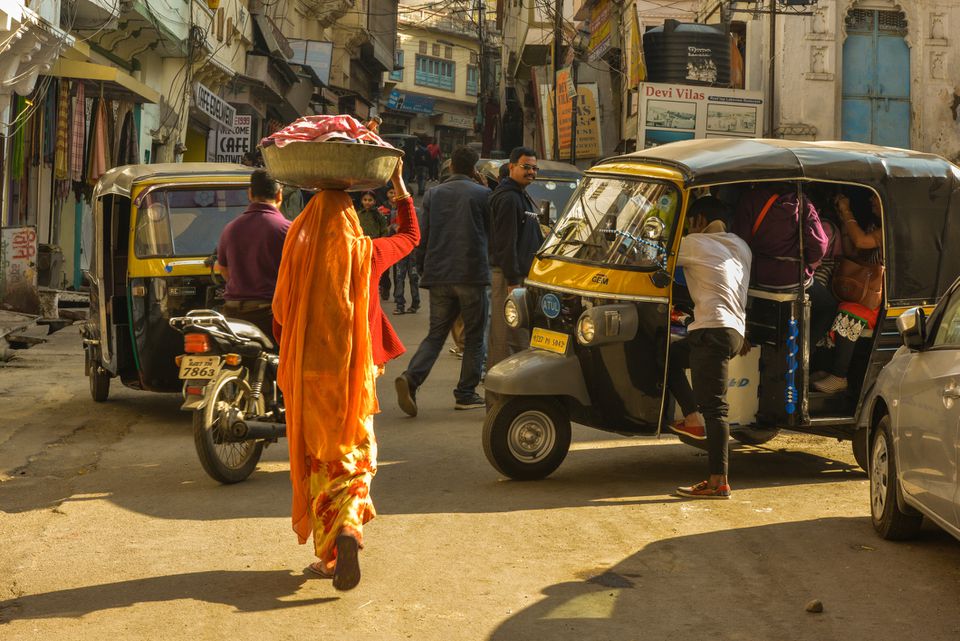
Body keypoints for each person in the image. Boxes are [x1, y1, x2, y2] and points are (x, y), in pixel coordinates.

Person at [272, 160, 419, 591]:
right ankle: (350, 528)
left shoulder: (296, 254)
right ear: (352, 219)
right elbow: (411, 235)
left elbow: (280, 315)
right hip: (355, 373)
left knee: (320, 456)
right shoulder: (366, 253)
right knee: (354, 449)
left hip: (309, 371)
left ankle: (332, 551)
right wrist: (397, 182)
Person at [395, 146, 491, 416]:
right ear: (474, 169)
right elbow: (491, 231)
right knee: (474, 337)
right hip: (471, 275)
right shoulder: (483, 194)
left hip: (439, 275)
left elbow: (423, 235)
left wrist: (424, 266)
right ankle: (466, 392)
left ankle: (412, 378)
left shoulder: (434, 194)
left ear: (450, 167)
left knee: (436, 334)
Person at [667, 196, 752, 500]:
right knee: (669, 358)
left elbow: (657, 257)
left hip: (712, 331)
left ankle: (719, 481)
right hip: (732, 331)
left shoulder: (693, 243)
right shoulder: (741, 246)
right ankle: (691, 418)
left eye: (690, 222)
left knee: (715, 408)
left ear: (699, 220)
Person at [812, 190, 884, 394]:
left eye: (875, 197)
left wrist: (846, 210)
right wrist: (845, 222)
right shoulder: (873, 227)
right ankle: (827, 368)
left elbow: (862, 242)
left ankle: (839, 375)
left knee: (847, 312)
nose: (871, 200)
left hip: (877, 300)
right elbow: (854, 252)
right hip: (865, 292)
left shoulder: (887, 229)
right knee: (835, 306)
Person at [216, 169, 291, 338]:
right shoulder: (287, 230)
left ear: (250, 194)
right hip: (270, 315)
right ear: (280, 195)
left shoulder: (230, 228)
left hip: (233, 312)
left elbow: (224, 270)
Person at [487, 146, 543, 368]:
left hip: (518, 275)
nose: (531, 172)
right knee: (506, 335)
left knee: (517, 334)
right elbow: (505, 242)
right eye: (526, 167)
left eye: (534, 168)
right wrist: (512, 281)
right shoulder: (509, 198)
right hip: (509, 277)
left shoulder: (520, 194)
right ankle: (499, 394)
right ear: (511, 167)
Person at [731, 183, 828, 290]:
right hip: (795, 279)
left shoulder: (749, 200)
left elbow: (738, 243)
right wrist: (808, 261)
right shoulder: (804, 204)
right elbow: (819, 246)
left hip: (757, 278)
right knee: (828, 304)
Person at [388, 186, 421, 314]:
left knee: (413, 276)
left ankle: (415, 302)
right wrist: (395, 228)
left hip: (413, 248)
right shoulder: (394, 212)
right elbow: (392, 226)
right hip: (400, 247)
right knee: (400, 275)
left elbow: (420, 227)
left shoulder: (416, 212)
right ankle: (400, 304)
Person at [357, 190, 391, 301]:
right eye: (365, 200)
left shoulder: (379, 215)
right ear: (361, 201)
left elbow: (384, 230)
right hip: (363, 246)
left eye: (370, 200)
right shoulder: (358, 215)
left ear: (374, 201)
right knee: (365, 270)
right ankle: (368, 290)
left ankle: (384, 287)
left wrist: (382, 242)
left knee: (381, 270)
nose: (367, 202)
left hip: (376, 245)